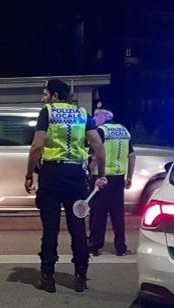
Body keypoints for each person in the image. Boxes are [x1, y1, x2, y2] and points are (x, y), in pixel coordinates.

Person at [25, 79, 107, 293]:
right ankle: (81, 275)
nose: (43, 98)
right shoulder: (82, 113)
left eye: (45, 94)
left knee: (50, 228)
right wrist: (101, 173)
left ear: (54, 96)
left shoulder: (48, 112)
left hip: (52, 175)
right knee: (77, 227)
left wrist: (28, 174)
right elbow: (98, 145)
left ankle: (48, 277)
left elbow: (37, 146)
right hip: (76, 176)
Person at [87, 106, 135, 256]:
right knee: (117, 215)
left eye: (96, 115)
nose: (94, 119)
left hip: (101, 178)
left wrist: (89, 170)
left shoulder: (101, 131)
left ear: (104, 117)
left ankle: (95, 246)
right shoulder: (124, 131)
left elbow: (94, 156)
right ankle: (120, 247)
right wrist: (129, 177)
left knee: (98, 214)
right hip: (118, 178)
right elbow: (132, 156)